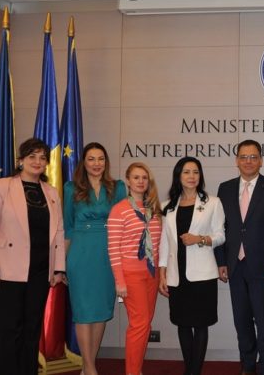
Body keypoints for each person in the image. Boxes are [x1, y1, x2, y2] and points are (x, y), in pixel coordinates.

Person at [0, 137, 65, 375]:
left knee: (31, 331)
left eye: (42, 157)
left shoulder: (51, 191)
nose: (38, 161)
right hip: (6, 273)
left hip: (39, 273)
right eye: (32, 156)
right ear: (20, 160)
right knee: (10, 332)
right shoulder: (1, 186)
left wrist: (59, 268)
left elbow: (58, 231)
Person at [214, 140, 264, 375]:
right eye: (244, 157)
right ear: (236, 160)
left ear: (261, 160)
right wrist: (221, 261)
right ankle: (247, 366)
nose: (248, 161)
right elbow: (219, 228)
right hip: (235, 267)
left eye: (253, 157)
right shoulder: (225, 189)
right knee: (242, 322)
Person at [64, 142, 126, 375]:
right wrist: (62, 264)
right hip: (80, 253)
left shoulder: (117, 187)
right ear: (84, 162)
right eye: (91, 159)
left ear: (106, 162)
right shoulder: (71, 188)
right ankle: (89, 367)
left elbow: (123, 223)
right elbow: (68, 227)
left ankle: (89, 364)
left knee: (100, 310)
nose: (97, 164)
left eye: (101, 159)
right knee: (82, 311)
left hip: (108, 253)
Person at [159, 157, 225, 375]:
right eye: (186, 172)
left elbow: (220, 236)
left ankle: (194, 371)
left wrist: (200, 239)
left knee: (201, 324)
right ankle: (190, 369)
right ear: (179, 176)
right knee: (182, 324)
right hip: (176, 274)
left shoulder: (213, 203)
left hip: (203, 275)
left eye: (195, 172)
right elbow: (164, 243)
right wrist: (162, 274)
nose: (191, 176)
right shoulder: (166, 207)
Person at [107, 162, 163, 375]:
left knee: (145, 324)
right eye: (136, 177)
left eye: (144, 178)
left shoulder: (154, 210)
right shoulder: (119, 210)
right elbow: (113, 248)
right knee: (139, 325)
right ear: (128, 181)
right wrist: (119, 281)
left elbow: (158, 246)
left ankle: (136, 369)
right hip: (130, 275)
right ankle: (132, 372)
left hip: (151, 274)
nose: (141, 181)